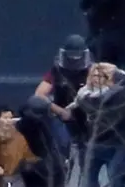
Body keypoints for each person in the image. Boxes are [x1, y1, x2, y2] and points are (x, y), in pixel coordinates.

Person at [72, 63, 125, 187]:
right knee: (89, 173)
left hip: (117, 141)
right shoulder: (83, 94)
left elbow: (104, 113)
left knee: (116, 172)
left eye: (101, 76)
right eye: (94, 76)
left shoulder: (117, 95)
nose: (96, 79)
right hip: (94, 141)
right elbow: (77, 113)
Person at [35, 34, 92, 170]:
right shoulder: (57, 71)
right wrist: (60, 111)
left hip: (86, 117)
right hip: (63, 115)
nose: (74, 59)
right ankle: (63, 168)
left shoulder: (92, 71)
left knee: (88, 157)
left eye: (77, 56)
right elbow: (39, 95)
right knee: (62, 144)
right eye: (71, 55)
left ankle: (87, 183)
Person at [16, 95, 71, 187]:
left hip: (42, 171)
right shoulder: (52, 125)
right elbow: (63, 147)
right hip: (40, 172)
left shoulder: (22, 125)